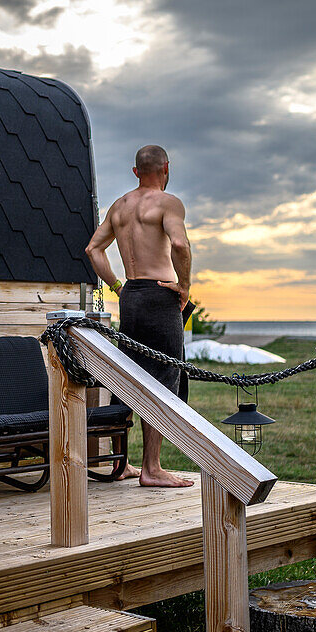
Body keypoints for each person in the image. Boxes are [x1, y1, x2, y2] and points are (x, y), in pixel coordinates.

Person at [84, 144, 194, 488]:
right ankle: (153, 468)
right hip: (161, 295)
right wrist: (185, 285)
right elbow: (179, 245)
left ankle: (123, 462)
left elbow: (93, 249)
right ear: (166, 168)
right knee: (163, 377)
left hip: (130, 295)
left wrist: (117, 286)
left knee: (128, 376)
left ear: (136, 172)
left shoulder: (120, 206)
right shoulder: (168, 202)